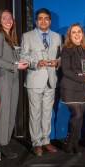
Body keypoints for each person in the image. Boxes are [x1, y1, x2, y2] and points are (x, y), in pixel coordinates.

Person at [21, 8, 62, 157]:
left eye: (46, 18)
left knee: (47, 113)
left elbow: (62, 57)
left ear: (50, 21)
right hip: (35, 80)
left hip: (51, 80)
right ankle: (36, 142)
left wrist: (56, 63)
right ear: (36, 21)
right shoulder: (27, 36)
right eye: (40, 18)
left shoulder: (57, 37)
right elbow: (23, 56)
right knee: (35, 113)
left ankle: (46, 140)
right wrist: (36, 63)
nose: (43, 21)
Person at [0, 10, 28, 158]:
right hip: (3, 77)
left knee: (12, 112)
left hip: (13, 77)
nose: (8, 20)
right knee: (5, 112)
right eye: (4, 18)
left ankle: (5, 142)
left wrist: (19, 62)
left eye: (10, 18)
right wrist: (15, 66)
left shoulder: (11, 38)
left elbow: (11, 59)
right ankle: (3, 145)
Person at [60, 23, 85, 154]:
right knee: (77, 114)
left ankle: (75, 144)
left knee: (80, 117)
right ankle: (68, 142)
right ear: (69, 35)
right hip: (70, 88)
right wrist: (83, 78)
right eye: (74, 32)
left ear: (82, 34)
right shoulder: (66, 49)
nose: (77, 34)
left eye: (79, 31)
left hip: (83, 88)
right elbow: (66, 70)